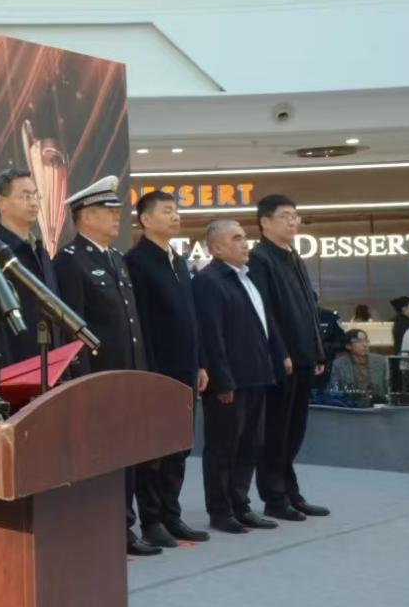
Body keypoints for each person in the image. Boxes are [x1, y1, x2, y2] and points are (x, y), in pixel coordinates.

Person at [53, 175, 154, 556]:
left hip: (125, 376)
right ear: (86, 216)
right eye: (109, 212)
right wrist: (82, 381)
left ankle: (123, 525)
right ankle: (102, 528)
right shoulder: (70, 260)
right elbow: (73, 327)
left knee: (124, 453)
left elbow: (131, 324)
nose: (117, 218)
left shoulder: (115, 259)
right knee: (100, 457)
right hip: (97, 377)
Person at [125, 191, 210, 549]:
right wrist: (149, 371)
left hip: (185, 369)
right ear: (145, 219)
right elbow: (141, 324)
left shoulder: (178, 260)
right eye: (166, 211)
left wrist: (200, 362)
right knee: (153, 450)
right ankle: (152, 520)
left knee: (179, 446)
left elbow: (192, 318)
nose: (175, 216)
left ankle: (172, 516)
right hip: (157, 371)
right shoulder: (136, 262)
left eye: (176, 211)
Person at [193, 220, 287, 535]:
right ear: (216, 248)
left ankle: (240, 505)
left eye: (245, 237)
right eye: (236, 238)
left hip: (257, 376)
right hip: (230, 381)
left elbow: (261, 325)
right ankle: (220, 511)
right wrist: (222, 380)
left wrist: (277, 359)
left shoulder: (245, 278)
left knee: (251, 445)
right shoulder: (209, 281)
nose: (245, 243)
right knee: (223, 447)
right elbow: (212, 335)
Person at [248, 194, 330, 521]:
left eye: (295, 216)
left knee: (295, 430)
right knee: (276, 430)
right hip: (283, 360)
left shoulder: (294, 257)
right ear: (265, 222)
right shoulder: (259, 258)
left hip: (305, 356)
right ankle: (274, 497)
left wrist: (318, 350)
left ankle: (290, 491)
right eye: (285, 216)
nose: (293, 221)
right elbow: (264, 311)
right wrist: (280, 352)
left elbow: (309, 308)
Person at [0, 168, 61, 366]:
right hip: (17, 369)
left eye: (35, 195)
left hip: (54, 365)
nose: (34, 203)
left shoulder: (41, 252)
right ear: (1, 202)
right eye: (25, 196)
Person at [330, 329, 390, 403]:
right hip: (350, 405)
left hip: (378, 405)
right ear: (348, 346)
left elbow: (388, 387)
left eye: (366, 341)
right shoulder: (339, 364)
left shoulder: (380, 361)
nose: (365, 345)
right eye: (359, 341)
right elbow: (335, 391)